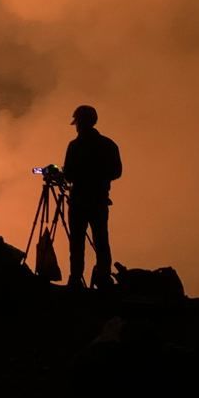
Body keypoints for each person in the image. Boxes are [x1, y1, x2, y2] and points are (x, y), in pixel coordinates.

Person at [62, 104, 122, 289]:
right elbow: (117, 172)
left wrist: (78, 175)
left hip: (79, 201)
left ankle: (75, 279)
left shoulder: (75, 146)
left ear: (80, 123)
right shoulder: (108, 144)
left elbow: (68, 174)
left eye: (77, 123)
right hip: (99, 201)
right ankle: (103, 277)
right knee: (101, 240)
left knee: (77, 242)